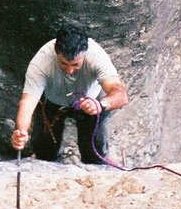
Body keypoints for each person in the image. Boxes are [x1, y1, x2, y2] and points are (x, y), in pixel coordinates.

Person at [11, 23, 128, 164]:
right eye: (64, 64)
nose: (69, 71)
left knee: (94, 153)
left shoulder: (96, 56)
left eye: (76, 65)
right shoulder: (42, 61)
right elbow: (27, 102)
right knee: (45, 151)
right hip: (53, 103)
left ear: (85, 54)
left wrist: (101, 105)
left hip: (90, 102)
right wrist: (21, 131)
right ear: (56, 51)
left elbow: (120, 94)